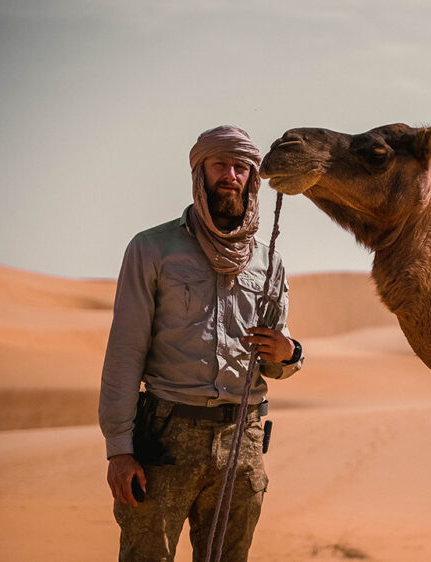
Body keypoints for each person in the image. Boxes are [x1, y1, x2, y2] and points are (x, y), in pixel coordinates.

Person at [99, 125, 303, 561]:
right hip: (166, 438)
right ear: (200, 173)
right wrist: (119, 451)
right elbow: (124, 353)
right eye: (219, 165)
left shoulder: (270, 262)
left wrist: (290, 355)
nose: (230, 174)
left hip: (242, 440)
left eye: (241, 167)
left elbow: (274, 364)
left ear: (252, 178)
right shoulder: (153, 249)